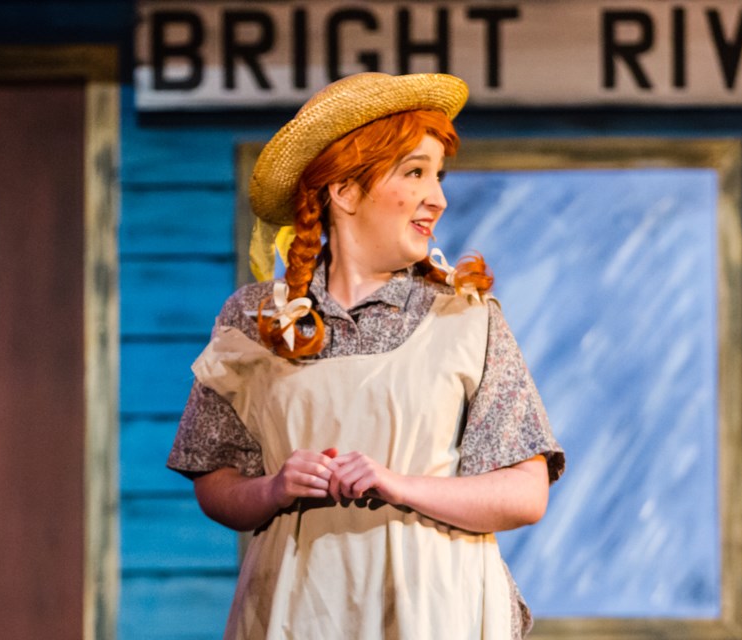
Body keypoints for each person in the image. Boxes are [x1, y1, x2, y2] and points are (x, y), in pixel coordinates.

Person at [167, 72, 564, 640]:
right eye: (415, 173)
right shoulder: (254, 319)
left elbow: (525, 494)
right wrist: (274, 487)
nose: (439, 198)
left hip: (433, 609)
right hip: (297, 609)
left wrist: (397, 484)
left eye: (438, 176)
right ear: (345, 191)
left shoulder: (467, 318)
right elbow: (216, 483)